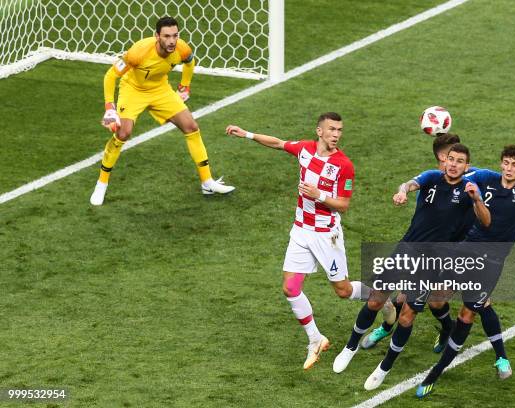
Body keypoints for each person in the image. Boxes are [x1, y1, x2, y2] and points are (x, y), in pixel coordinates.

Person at [416, 140, 515, 398]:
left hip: (492, 263)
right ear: (501, 163)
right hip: (467, 250)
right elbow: (458, 172)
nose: (509, 169)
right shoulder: (487, 177)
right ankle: (460, 338)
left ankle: (435, 373)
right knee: (437, 297)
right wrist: (429, 176)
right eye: (506, 163)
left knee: (468, 314)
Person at [333, 144, 491, 390]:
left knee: (407, 314)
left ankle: (384, 368)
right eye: (451, 159)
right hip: (406, 250)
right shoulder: (431, 177)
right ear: (444, 160)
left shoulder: (469, 190)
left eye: (460, 161)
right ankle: (350, 347)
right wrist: (402, 192)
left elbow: (486, 221)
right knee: (375, 299)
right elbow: (408, 184)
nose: (454, 164)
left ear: (466, 167)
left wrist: (478, 199)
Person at [225, 113, 371, 370]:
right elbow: (278, 143)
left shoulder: (344, 165)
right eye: (332, 129)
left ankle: (380, 295)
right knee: (290, 288)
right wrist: (246, 134)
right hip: (301, 231)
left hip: (327, 235)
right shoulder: (305, 149)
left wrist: (320, 195)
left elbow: (344, 206)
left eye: (339, 130)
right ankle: (315, 339)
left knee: (343, 291)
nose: (336, 134)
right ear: (319, 131)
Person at [90, 16, 234, 206]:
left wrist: (185, 86)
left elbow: (190, 62)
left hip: (160, 90)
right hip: (133, 90)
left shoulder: (182, 48)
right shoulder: (138, 52)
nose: (172, 41)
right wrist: (110, 108)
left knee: (191, 126)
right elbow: (110, 76)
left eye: (175, 35)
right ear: (157, 36)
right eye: (166, 36)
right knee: (123, 133)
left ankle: (207, 182)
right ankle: (101, 184)